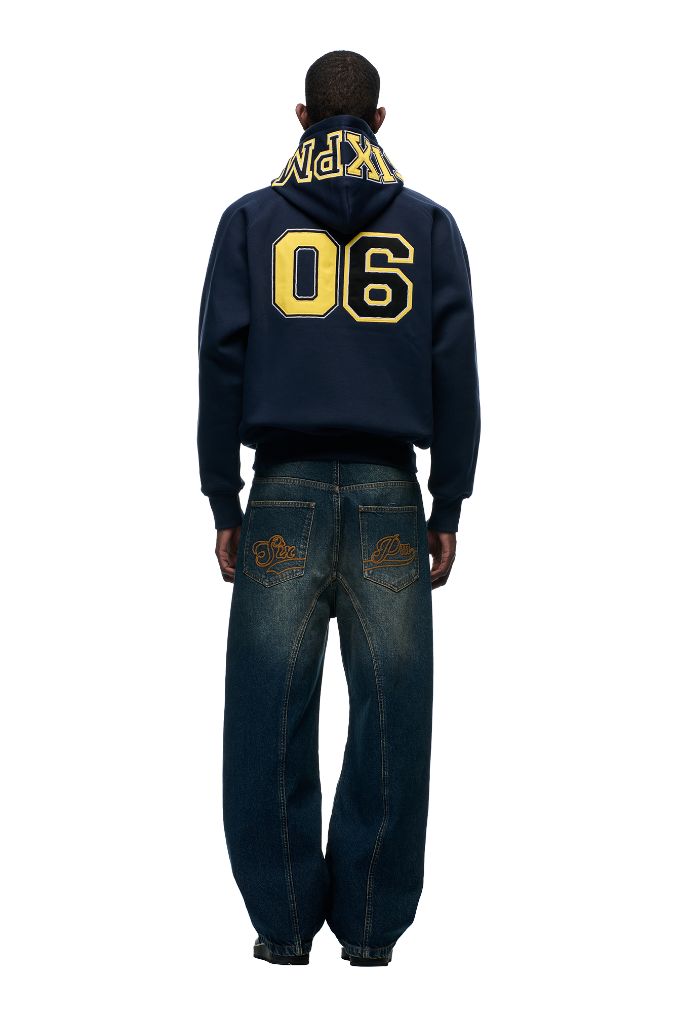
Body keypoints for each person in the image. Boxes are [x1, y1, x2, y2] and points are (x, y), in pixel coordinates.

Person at [197, 50, 480, 966]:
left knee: (266, 713)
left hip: (279, 488)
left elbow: (219, 362)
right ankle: (369, 930)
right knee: (393, 716)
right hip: (392, 491)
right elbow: (455, 373)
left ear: (300, 118)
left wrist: (221, 493)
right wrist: (448, 500)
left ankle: (280, 928)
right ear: (379, 122)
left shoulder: (248, 220)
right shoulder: (429, 223)